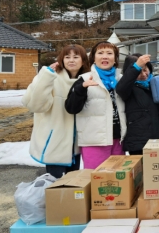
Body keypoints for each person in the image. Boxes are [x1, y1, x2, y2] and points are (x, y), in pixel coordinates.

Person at [22, 44, 90, 178]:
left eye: (76, 57)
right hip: (55, 142)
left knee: (73, 183)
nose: (71, 60)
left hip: (76, 144)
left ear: (83, 61)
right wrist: (46, 77)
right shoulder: (51, 77)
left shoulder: (87, 79)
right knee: (55, 183)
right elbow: (35, 105)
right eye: (67, 57)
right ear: (61, 60)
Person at [65, 41, 126, 169]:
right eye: (100, 53)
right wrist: (81, 88)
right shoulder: (84, 79)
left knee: (119, 178)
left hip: (118, 140)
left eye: (109, 53)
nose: (105, 56)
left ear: (115, 58)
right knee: (97, 178)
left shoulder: (121, 79)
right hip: (94, 141)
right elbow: (71, 108)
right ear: (93, 57)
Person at [116, 54, 159, 155]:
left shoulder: (155, 83)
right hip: (140, 141)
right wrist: (136, 67)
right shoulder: (128, 87)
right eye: (139, 71)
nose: (143, 74)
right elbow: (121, 89)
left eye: (145, 70)